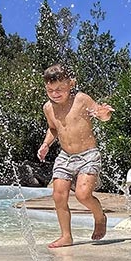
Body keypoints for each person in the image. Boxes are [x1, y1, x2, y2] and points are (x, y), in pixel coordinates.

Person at [37, 64, 114, 248]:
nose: (55, 94)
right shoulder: (48, 108)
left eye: (59, 89)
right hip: (65, 156)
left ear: (70, 84)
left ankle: (100, 216)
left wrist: (105, 115)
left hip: (88, 155)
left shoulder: (81, 99)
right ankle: (66, 236)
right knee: (58, 196)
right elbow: (53, 128)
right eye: (50, 90)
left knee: (83, 195)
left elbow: (99, 114)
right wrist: (46, 144)